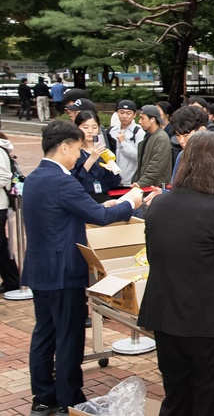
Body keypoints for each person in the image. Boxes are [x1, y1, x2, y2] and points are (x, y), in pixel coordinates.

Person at [22, 121, 141, 416]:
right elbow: (99, 215)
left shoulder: (35, 177)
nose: (79, 156)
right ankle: (69, 399)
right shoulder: (62, 181)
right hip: (63, 273)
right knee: (68, 337)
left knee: (44, 335)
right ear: (63, 146)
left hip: (39, 270)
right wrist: (131, 203)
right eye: (76, 149)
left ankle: (43, 397)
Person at [137, 132, 214, 416]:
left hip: (166, 318)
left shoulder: (159, 204)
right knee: (211, 402)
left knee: (176, 398)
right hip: (209, 324)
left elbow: (153, 257)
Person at [170, 105, 214, 184]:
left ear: (202, 130)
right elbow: (175, 187)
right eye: (178, 135)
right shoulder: (182, 156)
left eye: (186, 135)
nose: (181, 141)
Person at [71, 111, 121, 203]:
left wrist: (111, 169)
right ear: (77, 128)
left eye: (94, 127)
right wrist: (91, 160)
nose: (90, 131)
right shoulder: (73, 152)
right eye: (85, 127)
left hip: (104, 198)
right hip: (82, 200)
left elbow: (114, 182)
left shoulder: (103, 151)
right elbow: (72, 181)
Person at [133, 105, 173, 188]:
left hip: (155, 187)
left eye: (142, 118)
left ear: (152, 119)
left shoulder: (161, 138)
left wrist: (140, 183)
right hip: (148, 186)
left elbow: (156, 166)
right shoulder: (150, 135)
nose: (140, 122)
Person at [0, 134, 19, 293]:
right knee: (1, 244)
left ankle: (12, 279)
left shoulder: (0, 150)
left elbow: (4, 176)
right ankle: (11, 279)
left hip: (0, 204)